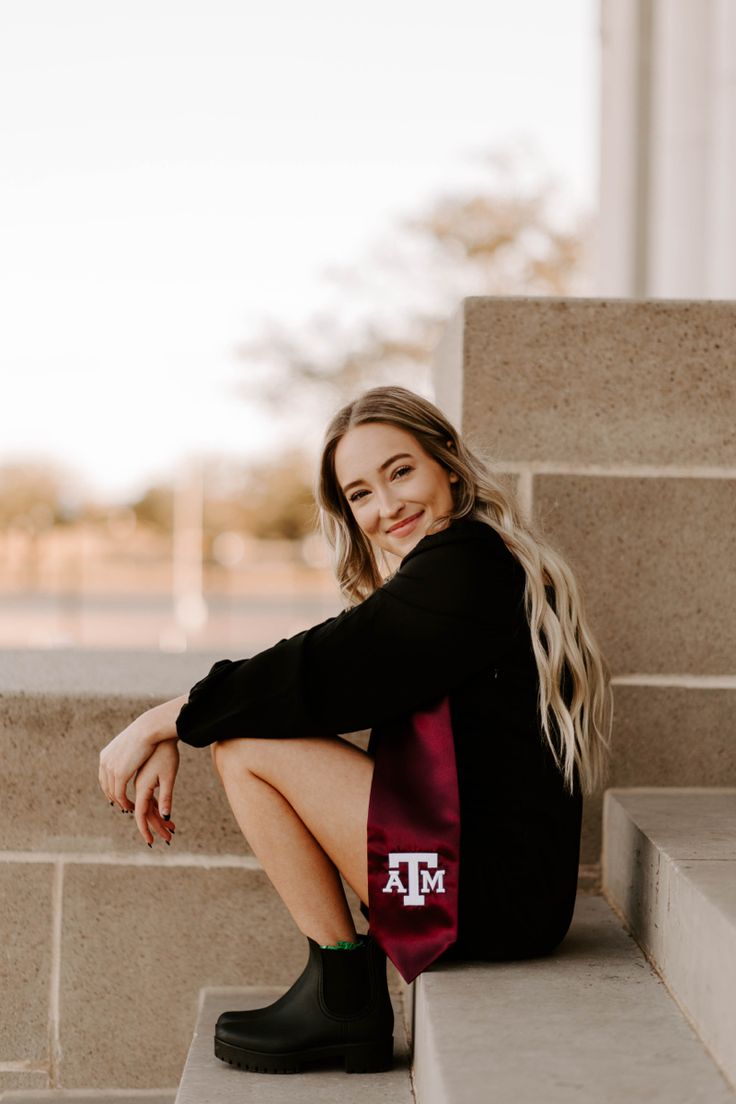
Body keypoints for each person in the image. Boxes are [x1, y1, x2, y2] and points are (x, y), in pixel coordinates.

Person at [98, 384, 613, 1076]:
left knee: (245, 746)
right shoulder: (470, 563)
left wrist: (161, 722)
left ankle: (344, 999)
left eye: (401, 472)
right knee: (246, 728)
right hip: (505, 888)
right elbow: (333, 663)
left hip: (490, 897)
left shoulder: (467, 565)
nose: (386, 505)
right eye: (361, 494)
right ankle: (338, 991)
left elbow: (327, 668)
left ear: (449, 466)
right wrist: (179, 718)